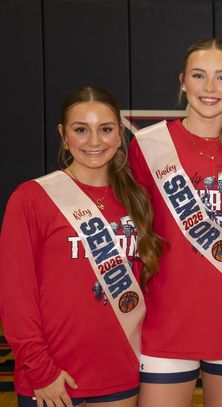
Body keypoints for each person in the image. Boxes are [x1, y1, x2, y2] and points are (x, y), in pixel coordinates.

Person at [128, 38, 222, 407]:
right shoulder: (148, 145)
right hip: (165, 319)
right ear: (183, 81)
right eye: (199, 76)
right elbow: (131, 235)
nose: (210, 88)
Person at [0, 85, 162, 407]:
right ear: (63, 134)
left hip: (119, 373)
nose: (93, 141)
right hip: (51, 378)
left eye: (105, 129)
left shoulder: (138, 200)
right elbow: (16, 296)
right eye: (80, 129)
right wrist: (41, 371)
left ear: (119, 133)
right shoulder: (31, 198)